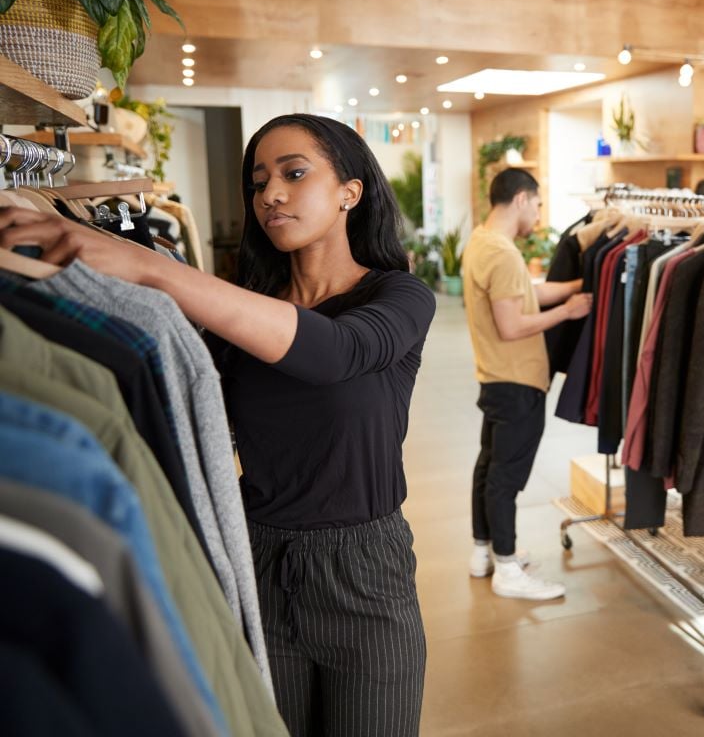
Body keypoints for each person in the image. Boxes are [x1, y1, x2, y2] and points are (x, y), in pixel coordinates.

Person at [0, 114, 436, 736]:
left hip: (365, 572)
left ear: (350, 190)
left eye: (293, 173)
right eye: (258, 183)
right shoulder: (237, 309)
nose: (270, 195)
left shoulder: (398, 297)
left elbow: (335, 352)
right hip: (255, 557)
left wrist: (152, 268)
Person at [462, 168, 591, 600]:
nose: (539, 214)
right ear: (520, 199)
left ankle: (485, 553)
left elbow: (522, 292)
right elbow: (513, 324)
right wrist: (569, 312)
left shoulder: (483, 243)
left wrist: (575, 286)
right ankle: (507, 568)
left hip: (496, 379)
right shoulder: (502, 254)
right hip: (518, 383)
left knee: (488, 470)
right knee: (505, 480)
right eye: (537, 204)